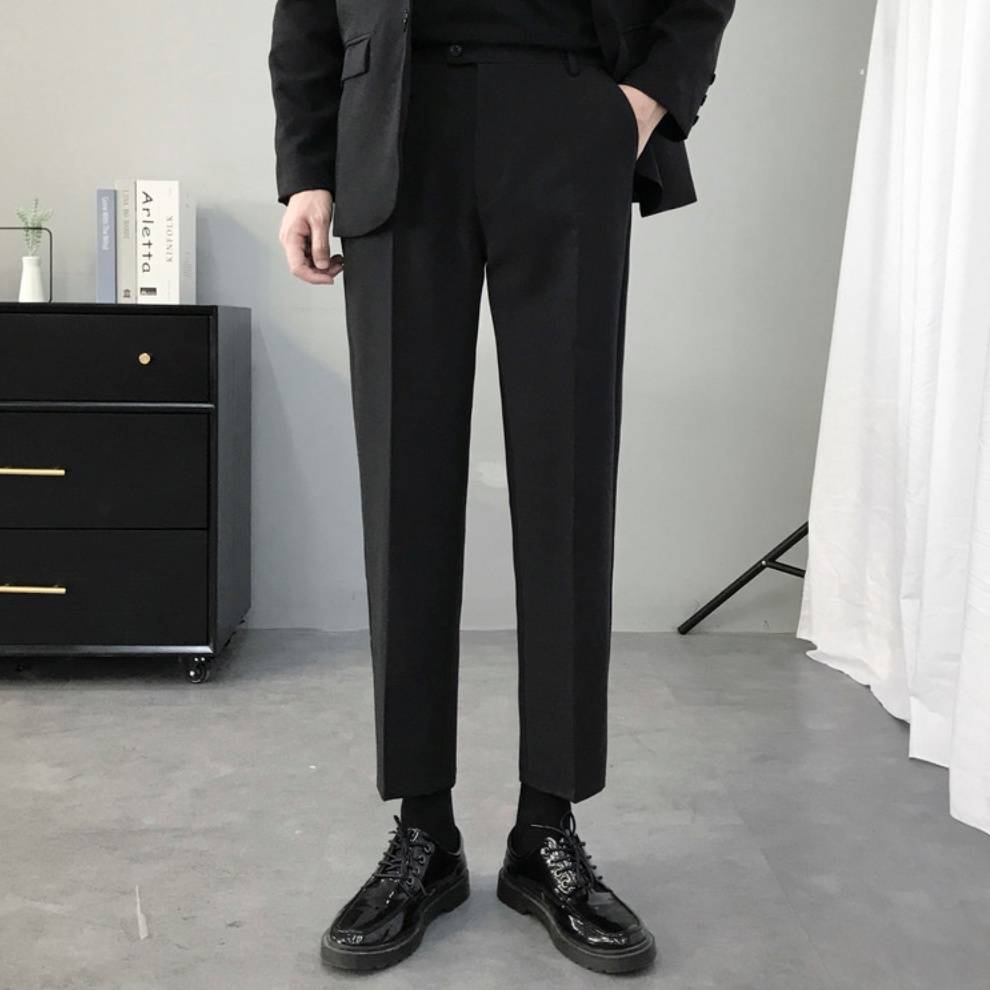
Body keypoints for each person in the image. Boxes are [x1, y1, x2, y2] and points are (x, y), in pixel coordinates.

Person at [268, 0, 734, 975]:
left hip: (567, 106)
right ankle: (424, 833)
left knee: (569, 487)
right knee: (404, 494)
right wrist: (307, 166)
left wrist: (646, 100)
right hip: (397, 120)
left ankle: (546, 831)